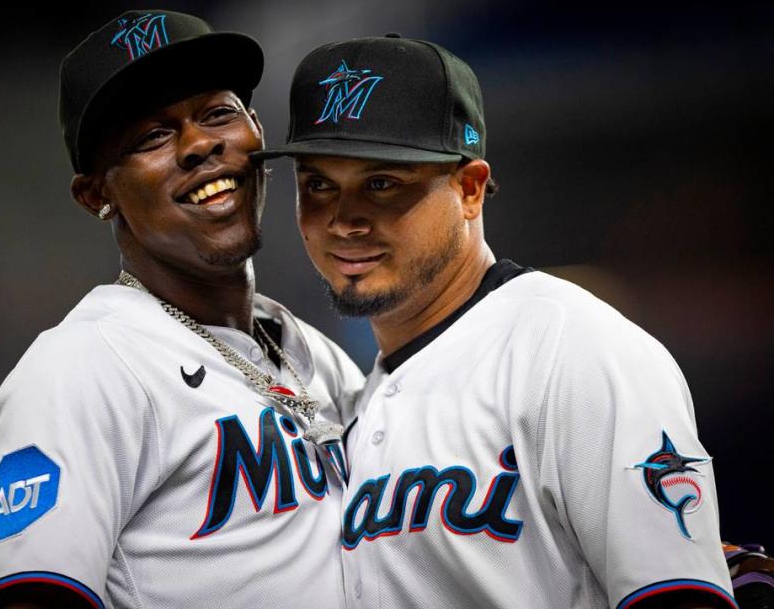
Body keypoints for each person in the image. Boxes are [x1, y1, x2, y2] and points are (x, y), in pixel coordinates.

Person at [255, 34, 736, 608]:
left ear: (469, 189)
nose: (344, 219)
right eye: (318, 185)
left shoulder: (574, 349)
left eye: (382, 183)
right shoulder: (358, 399)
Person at [0, 10, 363, 609]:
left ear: (256, 129)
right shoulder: (82, 368)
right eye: (152, 136)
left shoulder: (311, 351)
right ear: (95, 194)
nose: (200, 144)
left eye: (217, 114)